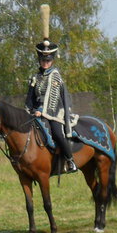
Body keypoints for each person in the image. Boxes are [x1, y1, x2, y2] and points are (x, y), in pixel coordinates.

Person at [25, 38, 78, 174]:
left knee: (57, 133)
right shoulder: (35, 76)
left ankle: (70, 160)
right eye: (43, 60)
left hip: (54, 112)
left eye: (48, 60)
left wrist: (42, 111)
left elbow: (52, 98)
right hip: (37, 112)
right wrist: (28, 110)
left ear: (52, 60)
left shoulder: (55, 76)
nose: (45, 63)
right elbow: (30, 97)